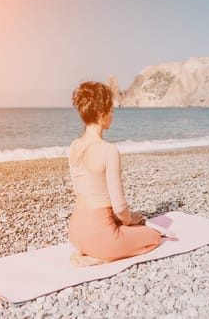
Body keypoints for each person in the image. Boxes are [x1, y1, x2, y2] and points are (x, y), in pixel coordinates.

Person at [68, 81, 161, 266]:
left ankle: (89, 251)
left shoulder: (74, 146)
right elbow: (119, 206)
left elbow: (79, 190)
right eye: (112, 111)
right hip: (100, 237)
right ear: (103, 115)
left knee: (119, 230)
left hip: (75, 232)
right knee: (154, 237)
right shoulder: (109, 150)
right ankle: (99, 259)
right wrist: (129, 220)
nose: (113, 115)